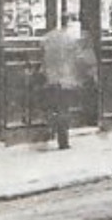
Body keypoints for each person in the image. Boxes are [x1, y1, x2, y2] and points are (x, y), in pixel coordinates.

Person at [42, 15, 96, 149]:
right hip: (66, 79)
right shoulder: (72, 40)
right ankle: (63, 141)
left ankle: (50, 132)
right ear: (69, 23)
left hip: (50, 78)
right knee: (63, 109)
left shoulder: (47, 38)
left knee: (53, 107)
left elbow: (43, 55)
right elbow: (82, 59)